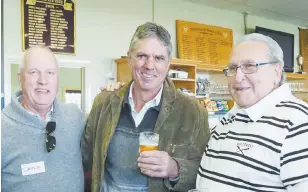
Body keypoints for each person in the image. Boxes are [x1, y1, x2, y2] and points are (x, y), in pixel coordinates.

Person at [81, 22, 210, 192]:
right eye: (142, 55)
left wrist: (175, 169)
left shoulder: (193, 111)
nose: (149, 65)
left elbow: (206, 172)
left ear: (168, 64)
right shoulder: (104, 103)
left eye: (158, 58)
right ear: (129, 58)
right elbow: (84, 158)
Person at [196, 33, 308, 191]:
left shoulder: (299, 124)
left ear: (277, 71)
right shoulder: (228, 120)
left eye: (249, 66)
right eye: (233, 68)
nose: (238, 77)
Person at [1, 46, 87, 192]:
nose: (43, 80)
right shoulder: (3, 127)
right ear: (20, 78)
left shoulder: (75, 116)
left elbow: (105, 137)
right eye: (34, 72)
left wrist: (113, 99)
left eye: (50, 73)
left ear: (57, 78)